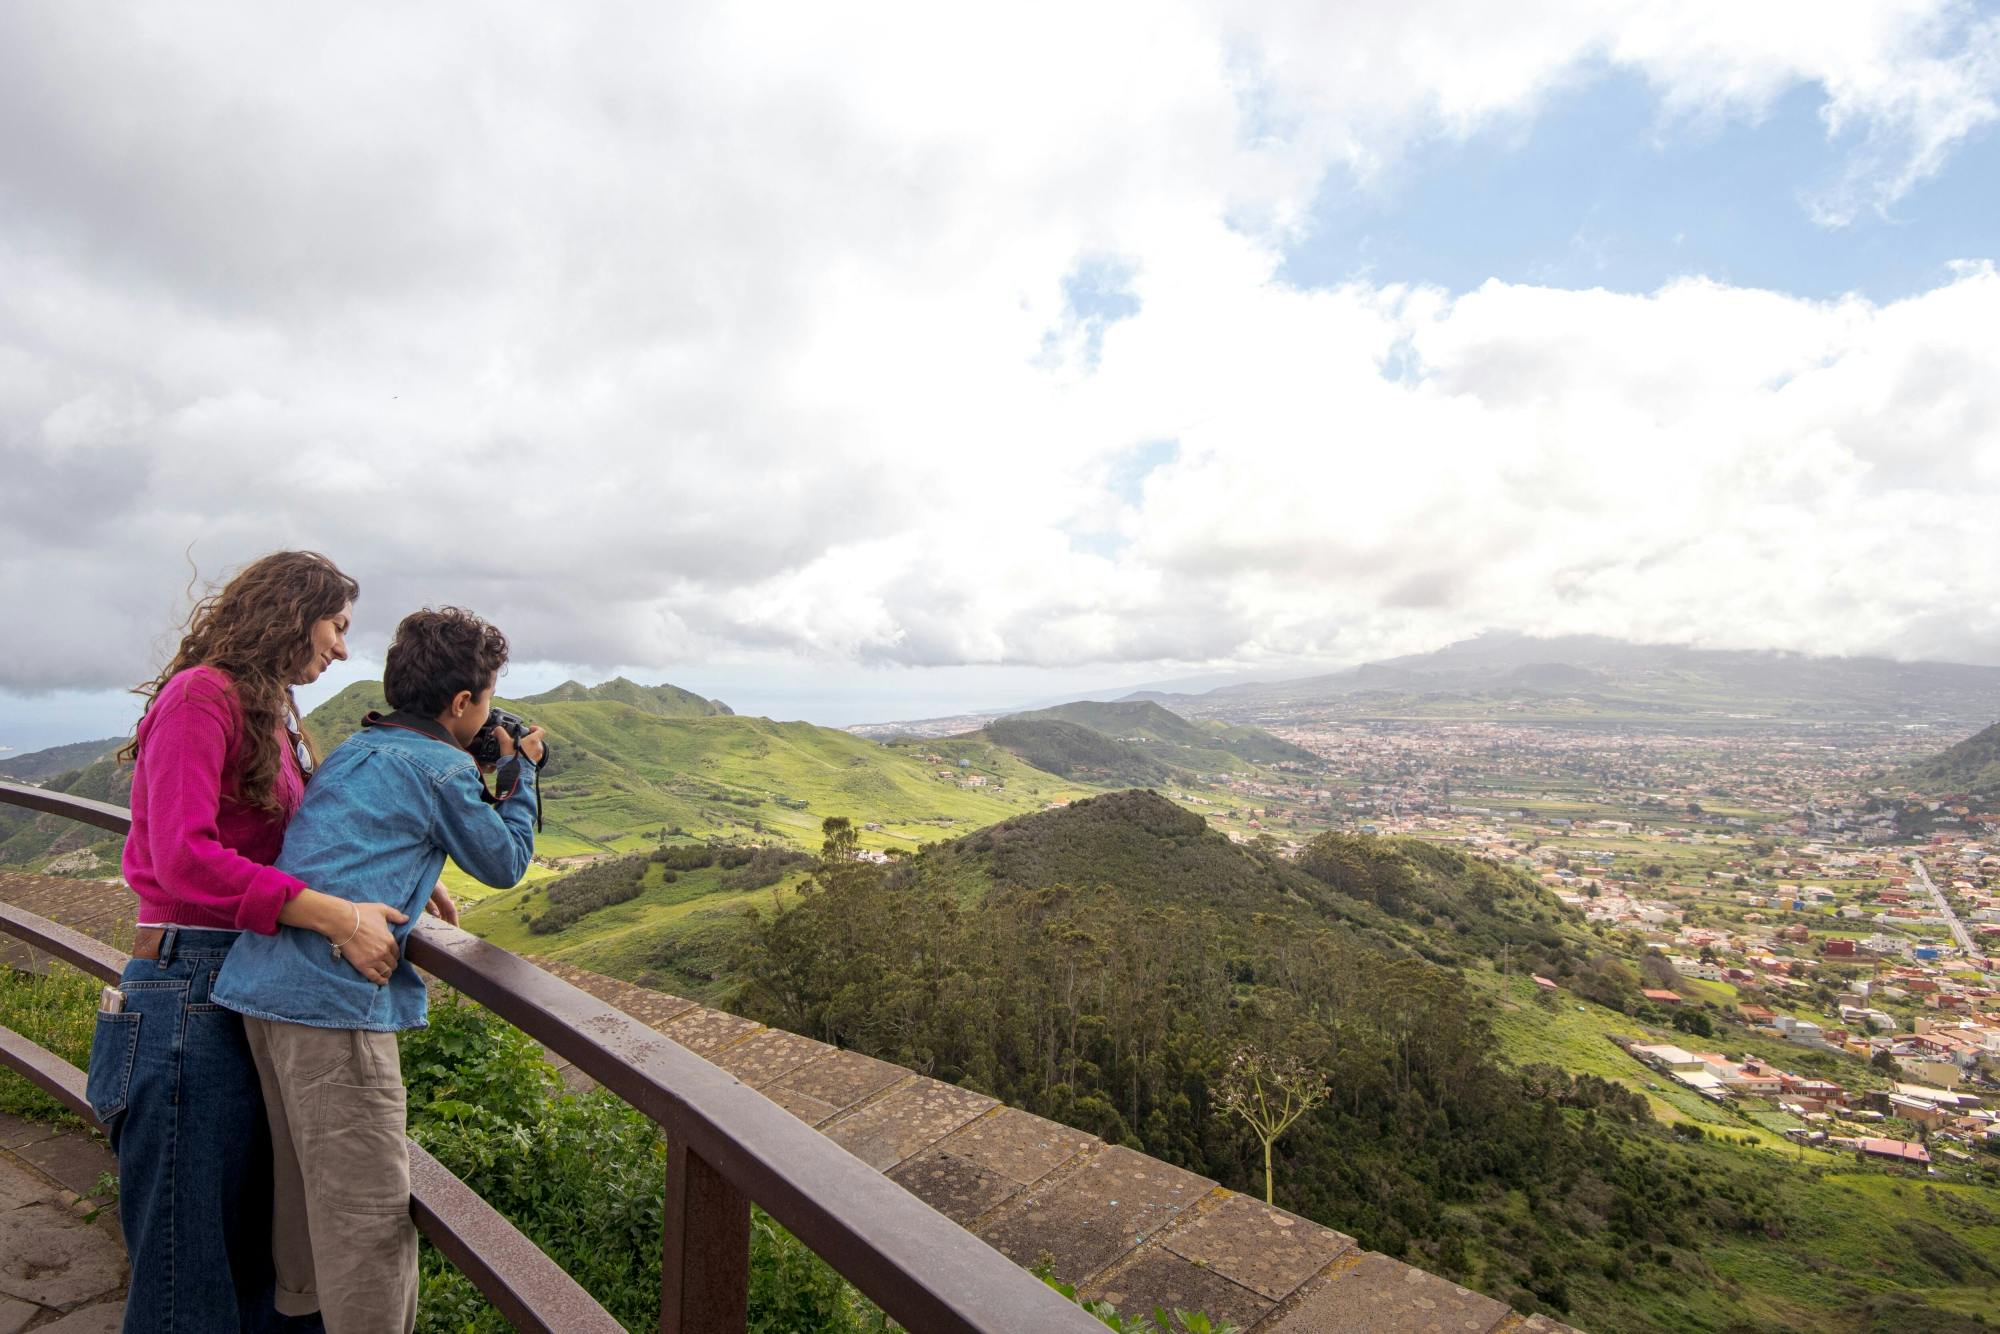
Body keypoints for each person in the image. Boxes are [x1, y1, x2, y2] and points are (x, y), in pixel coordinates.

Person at [85, 550, 411, 1334]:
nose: (341, 647)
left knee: (255, 1268)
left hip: (242, 987)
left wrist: (387, 875)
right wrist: (334, 917)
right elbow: (183, 856)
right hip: (185, 993)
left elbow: (300, 840)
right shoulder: (202, 698)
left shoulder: (272, 712)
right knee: (186, 1280)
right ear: (292, 611)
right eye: (337, 625)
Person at [213, 606, 543, 1334]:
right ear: (462, 704)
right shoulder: (441, 768)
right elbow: (504, 861)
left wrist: (423, 878)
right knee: (368, 1222)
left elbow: (361, 839)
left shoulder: (362, 748)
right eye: (486, 702)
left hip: (263, 989)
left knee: (302, 1204)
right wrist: (522, 775)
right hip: (333, 1005)